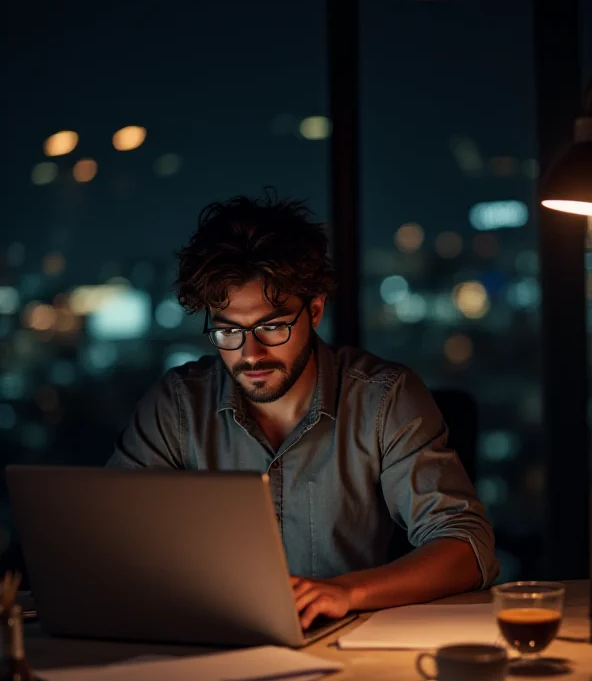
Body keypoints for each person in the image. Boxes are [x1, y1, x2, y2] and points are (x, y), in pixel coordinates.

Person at [108, 191, 498, 629]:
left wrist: (347, 592)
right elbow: (109, 539)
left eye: (272, 326)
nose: (249, 354)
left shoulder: (383, 398)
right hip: (208, 644)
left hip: (349, 649)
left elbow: (466, 546)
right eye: (228, 331)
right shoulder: (178, 405)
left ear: (314, 310)